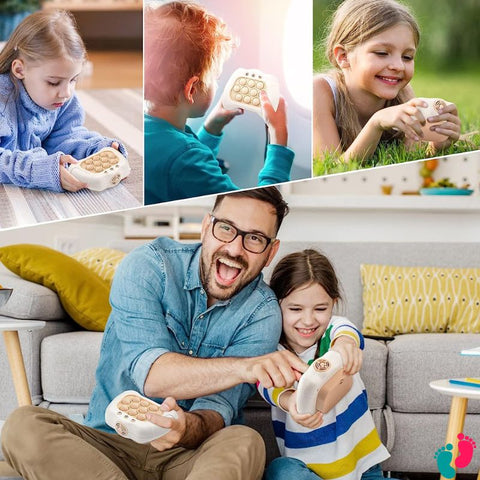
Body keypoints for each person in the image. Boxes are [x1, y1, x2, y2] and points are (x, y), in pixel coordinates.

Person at [1, 186, 307, 480]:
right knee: (21, 426)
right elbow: (153, 376)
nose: (234, 248)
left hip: (189, 457)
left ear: (270, 252)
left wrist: (185, 427)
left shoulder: (262, 312)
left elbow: (218, 409)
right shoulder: (149, 266)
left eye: (254, 238)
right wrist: (245, 367)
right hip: (108, 446)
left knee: (245, 440)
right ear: (205, 227)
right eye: (226, 228)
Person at [258, 249, 395, 480]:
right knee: (279, 471)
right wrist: (290, 401)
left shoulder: (333, 333)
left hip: (363, 469)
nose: (309, 320)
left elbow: (346, 331)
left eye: (320, 309)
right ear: (276, 305)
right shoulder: (274, 353)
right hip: (307, 469)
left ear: (333, 304)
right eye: (295, 309)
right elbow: (267, 385)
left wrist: (344, 345)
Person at [144, 1, 295, 204]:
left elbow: (180, 158)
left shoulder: (152, 131)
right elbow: (254, 207)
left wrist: (213, 126)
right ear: (192, 89)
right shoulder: (188, 159)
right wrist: (279, 139)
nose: (217, 83)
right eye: (216, 76)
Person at [313, 0, 461, 163]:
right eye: (382, 53)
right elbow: (331, 169)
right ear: (343, 56)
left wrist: (435, 147)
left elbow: (408, 159)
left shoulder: (402, 93)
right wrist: (376, 123)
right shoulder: (320, 92)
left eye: (407, 57)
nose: (398, 66)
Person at [0, 10, 126, 192]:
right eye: (53, 82)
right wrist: (38, 170)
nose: (66, 93)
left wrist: (96, 149)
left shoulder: (64, 101)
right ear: (20, 70)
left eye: (74, 79)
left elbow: (64, 137)